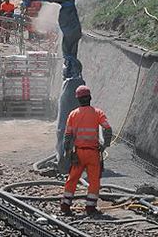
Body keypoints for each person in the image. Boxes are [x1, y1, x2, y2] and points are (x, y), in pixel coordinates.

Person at [61, 85, 113, 216]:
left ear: (78, 99)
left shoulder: (73, 114)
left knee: (72, 178)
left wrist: (68, 153)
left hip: (78, 153)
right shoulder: (98, 113)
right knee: (94, 180)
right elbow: (108, 129)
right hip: (93, 153)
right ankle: (90, 207)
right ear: (90, 97)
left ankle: (65, 205)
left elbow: (67, 136)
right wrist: (105, 145)